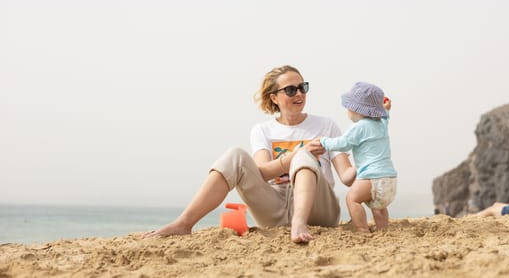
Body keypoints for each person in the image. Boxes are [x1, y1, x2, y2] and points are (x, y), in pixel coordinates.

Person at [142, 65, 356, 243]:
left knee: (304, 157)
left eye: (303, 87)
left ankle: (299, 224)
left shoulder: (326, 125)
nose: (299, 93)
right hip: (274, 206)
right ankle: (184, 223)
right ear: (274, 97)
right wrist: (293, 156)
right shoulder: (263, 130)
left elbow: (346, 175)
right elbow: (261, 173)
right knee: (235, 155)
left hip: (318, 210)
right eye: (291, 90)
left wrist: (371, 162)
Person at [317, 82, 397, 233]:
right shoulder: (381, 123)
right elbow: (386, 118)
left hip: (371, 177)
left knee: (352, 199)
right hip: (390, 179)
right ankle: (383, 230)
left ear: (356, 109)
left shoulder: (360, 127)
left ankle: (361, 229)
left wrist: (323, 141)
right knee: (378, 207)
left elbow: (343, 143)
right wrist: (386, 110)